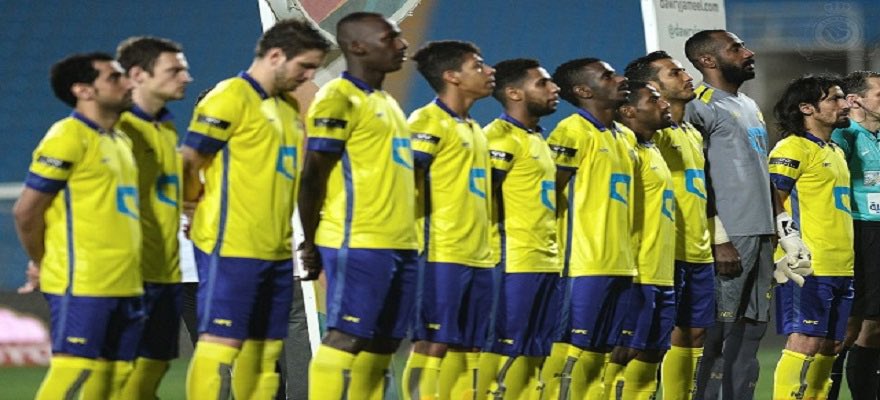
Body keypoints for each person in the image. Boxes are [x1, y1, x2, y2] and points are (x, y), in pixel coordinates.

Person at [180, 18, 329, 399]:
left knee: (267, 357)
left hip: (274, 254)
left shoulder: (282, 112)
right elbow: (189, 164)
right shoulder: (231, 99)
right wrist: (193, 209)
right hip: (235, 251)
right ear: (276, 56)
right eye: (304, 66)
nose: (307, 76)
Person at [299, 12, 416, 400]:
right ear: (357, 47)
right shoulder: (338, 98)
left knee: (384, 342)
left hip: (399, 243)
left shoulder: (386, 102)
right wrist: (310, 242)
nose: (402, 44)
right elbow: (313, 175)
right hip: (359, 240)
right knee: (347, 335)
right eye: (389, 38)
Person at [13, 52, 141, 399]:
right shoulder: (67, 137)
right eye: (114, 77)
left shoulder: (119, 140)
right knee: (74, 368)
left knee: (116, 374)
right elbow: (26, 212)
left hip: (126, 280)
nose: (128, 83)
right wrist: (42, 262)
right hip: (83, 280)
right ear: (83, 90)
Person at [400, 40, 497, 400]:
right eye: (478, 65)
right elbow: (402, 182)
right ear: (452, 76)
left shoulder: (473, 128)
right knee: (433, 343)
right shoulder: (427, 121)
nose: (490, 71)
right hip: (440, 254)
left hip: (480, 256)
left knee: (470, 348)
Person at [683, 30, 775, 399]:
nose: (748, 52)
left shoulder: (748, 104)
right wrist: (717, 236)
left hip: (761, 233)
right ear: (708, 60)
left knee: (752, 329)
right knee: (716, 332)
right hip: (731, 236)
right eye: (736, 48)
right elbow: (695, 175)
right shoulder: (699, 105)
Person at [541, 57, 635, 399]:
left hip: (622, 263)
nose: (620, 79)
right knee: (569, 352)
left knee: (602, 356)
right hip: (582, 263)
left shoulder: (625, 136)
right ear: (583, 90)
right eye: (607, 76)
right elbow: (547, 195)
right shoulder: (572, 131)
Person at [624, 50, 714, 399]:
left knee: (694, 334)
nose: (687, 76)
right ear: (651, 87)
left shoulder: (691, 132)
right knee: (649, 342)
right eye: (675, 73)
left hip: (697, 251)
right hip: (663, 252)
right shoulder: (645, 137)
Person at [474, 58, 561, 400]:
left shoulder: (537, 137)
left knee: (535, 356)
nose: (554, 88)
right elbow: (479, 202)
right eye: (542, 83)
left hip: (546, 262)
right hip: (513, 262)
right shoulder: (499, 138)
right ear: (513, 93)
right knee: (501, 352)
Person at [115, 36, 193, 399]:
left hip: (162, 270)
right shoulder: (117, 129)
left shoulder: (164, 128)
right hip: (125, 274)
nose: (186, 77)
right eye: (174, 70)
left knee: (151, 370)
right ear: (138, 75)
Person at [769, 74, 854, 399]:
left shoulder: (834, 150)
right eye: (834, 98)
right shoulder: (793, 147)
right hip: (808, 265)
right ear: (806, 108)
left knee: (831, 345)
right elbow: (772, 197)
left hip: (841, 265)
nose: (844, 104)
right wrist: (786, 242)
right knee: (804, 341)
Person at [602, 80, 676, 399]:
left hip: (661, 270)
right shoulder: (624, 150)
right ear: (629, 110)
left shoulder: (652, 147)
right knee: (621, 352)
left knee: (652, 354)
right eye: (654, 99)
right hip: (636, 272)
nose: (664, 104)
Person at [830, 70, 880, 399]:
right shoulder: (844, 136)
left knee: (874, 326)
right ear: (855, 100)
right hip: (859, 232)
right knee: (849, 324)